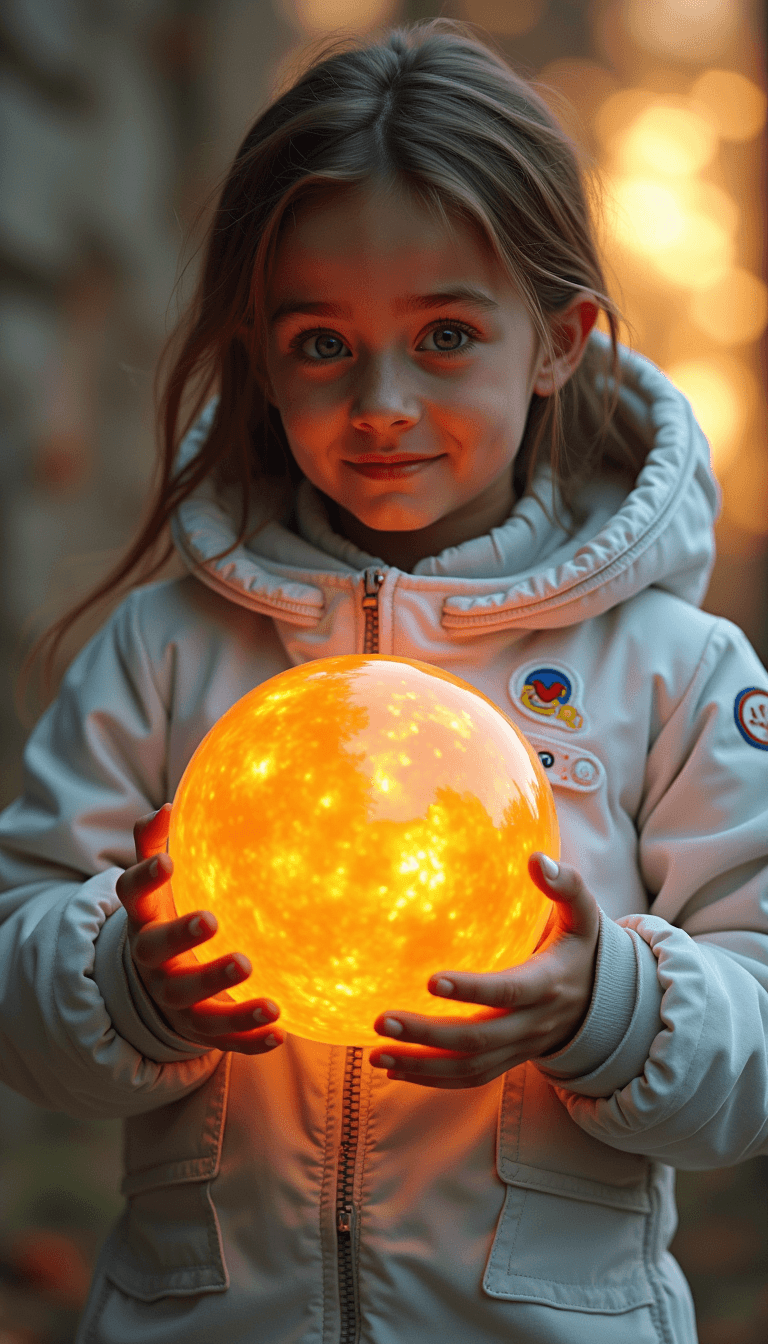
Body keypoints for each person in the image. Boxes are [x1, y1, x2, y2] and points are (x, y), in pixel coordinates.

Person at [1, 20, 767, 1344]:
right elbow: (17, 992)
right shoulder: (164, 652)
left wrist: (608, 1004)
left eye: (447, 333)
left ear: (560, 339)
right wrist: (127, 982)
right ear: (257, 350)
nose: (382, 402)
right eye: (319, 344)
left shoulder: (675, 673)